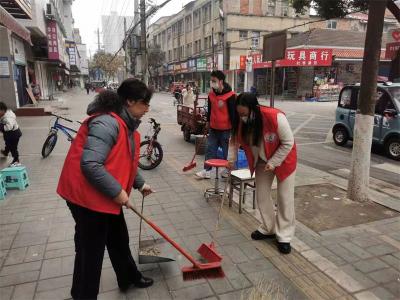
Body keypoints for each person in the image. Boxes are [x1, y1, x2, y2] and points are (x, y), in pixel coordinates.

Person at [57, 79, 155, 299]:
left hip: (103, 192)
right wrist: (119, 193)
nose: (148, 108)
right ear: (129, 101)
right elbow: (90, 165)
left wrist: (139, 184)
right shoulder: (107, 123)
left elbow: (124, 159)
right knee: (90, 249)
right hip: (85, 196)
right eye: (144, 103)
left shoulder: (125, 123)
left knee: (118, 238)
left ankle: (129, 276)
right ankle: (83, 295)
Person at [229, 93, 297, 254]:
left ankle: (284, 236)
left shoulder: (275, 117)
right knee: (261, 195)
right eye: (239, 114)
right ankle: (268, 228)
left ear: (254, 108)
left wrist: (273, 162)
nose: (242, 117)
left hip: (284, 160)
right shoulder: (241, 122)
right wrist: (230, 160)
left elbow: (288, 143)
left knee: (284, 198)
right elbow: (234, 141)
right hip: (261, 161)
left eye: (244, 114)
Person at [196, 70, 236, 179]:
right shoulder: (211, 94)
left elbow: (233, 114)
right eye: (211, 80)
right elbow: (210, 110)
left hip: (226, 130)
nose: (211, 82)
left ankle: (227, 171)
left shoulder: (230, 95)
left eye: (214, 80)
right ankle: (207, 171)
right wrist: (208, 123)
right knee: (210, 149)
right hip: (213, 128)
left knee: (226, 152)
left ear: (221, 81)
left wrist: (234, 131)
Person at [0, 102, 22, 167]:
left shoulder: (8, 117)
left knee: (13, 148)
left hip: (13, 135)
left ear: (2, 110)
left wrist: (1, 126)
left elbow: (9, 127)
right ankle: (6, 152)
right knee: (8, 144)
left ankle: (16, 160)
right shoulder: (4, 115)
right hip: (9, 135)